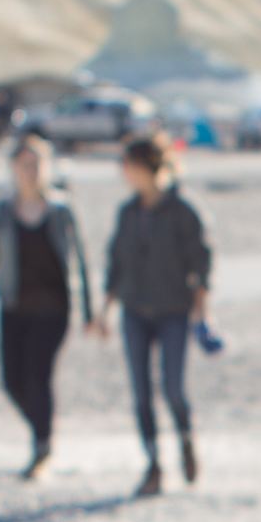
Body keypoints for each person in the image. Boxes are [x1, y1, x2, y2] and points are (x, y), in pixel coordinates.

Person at [0, 135, 91, 477]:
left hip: (54, 309)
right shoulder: (0, 214)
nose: (31, 172)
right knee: (12, 380)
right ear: (13, 169)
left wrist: (89, 311)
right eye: (25, 166)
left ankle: (42, 445)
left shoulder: (61, 211)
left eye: (37, 165)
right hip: (14, 307)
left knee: (39, 374)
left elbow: (81, 263)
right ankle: (42, 430)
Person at [101, 130, 213, 496]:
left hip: (173, 312)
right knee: (140, 392)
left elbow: (201, 264)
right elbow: (115, 263)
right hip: (134, 311)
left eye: (128, 166)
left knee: (172, 387)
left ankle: (185, 439)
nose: (124, 173)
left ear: (145, 167)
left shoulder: (182, 211)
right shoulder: (128, 213)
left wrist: (202, 312)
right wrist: (104, 311)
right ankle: (152, 464)